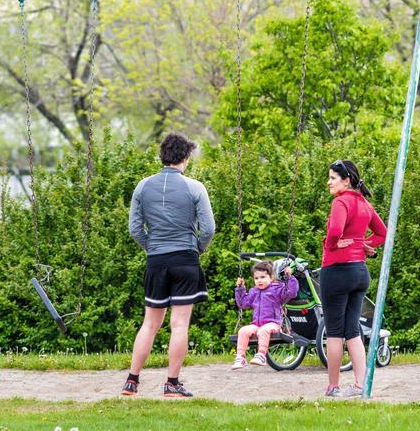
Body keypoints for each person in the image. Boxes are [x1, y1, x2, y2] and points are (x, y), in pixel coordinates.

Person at [121, 132, 216, 398]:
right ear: (185, 158)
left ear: (162, 156)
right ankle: (172, 383)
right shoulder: (195, 187)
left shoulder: (142, 186)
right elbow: (208, 229)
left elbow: (134, 229)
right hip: (185, 258)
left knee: (149, 324)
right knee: (179, 325)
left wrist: (151, 247)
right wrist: (197, 248)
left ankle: (131, 381)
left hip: (156, 259)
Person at [320, 159, 386, 397]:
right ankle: (361, 385)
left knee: (335, 331)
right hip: (359, 272)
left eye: (332, 178)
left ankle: (333, 386)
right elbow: (382, 233)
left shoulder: (340, 202)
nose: (328, 182)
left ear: (346, 180)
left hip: (337, 272)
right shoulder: (364, 204)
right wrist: (366, 245)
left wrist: (332, 244)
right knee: (353, 331)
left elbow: (335, 231)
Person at [233, 260, 299, 369]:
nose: (259, 280)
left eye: (263, 277)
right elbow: (242, 303)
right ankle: (241, 357)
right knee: (243, 330)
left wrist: (289, 277)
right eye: (256, 278)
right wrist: (240, 289)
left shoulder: (277, 289)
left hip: (273, 324)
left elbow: (291, 292)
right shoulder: (254, 291)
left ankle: (261, 355)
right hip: (257, 324)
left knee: (263, 330)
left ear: (271, 277)